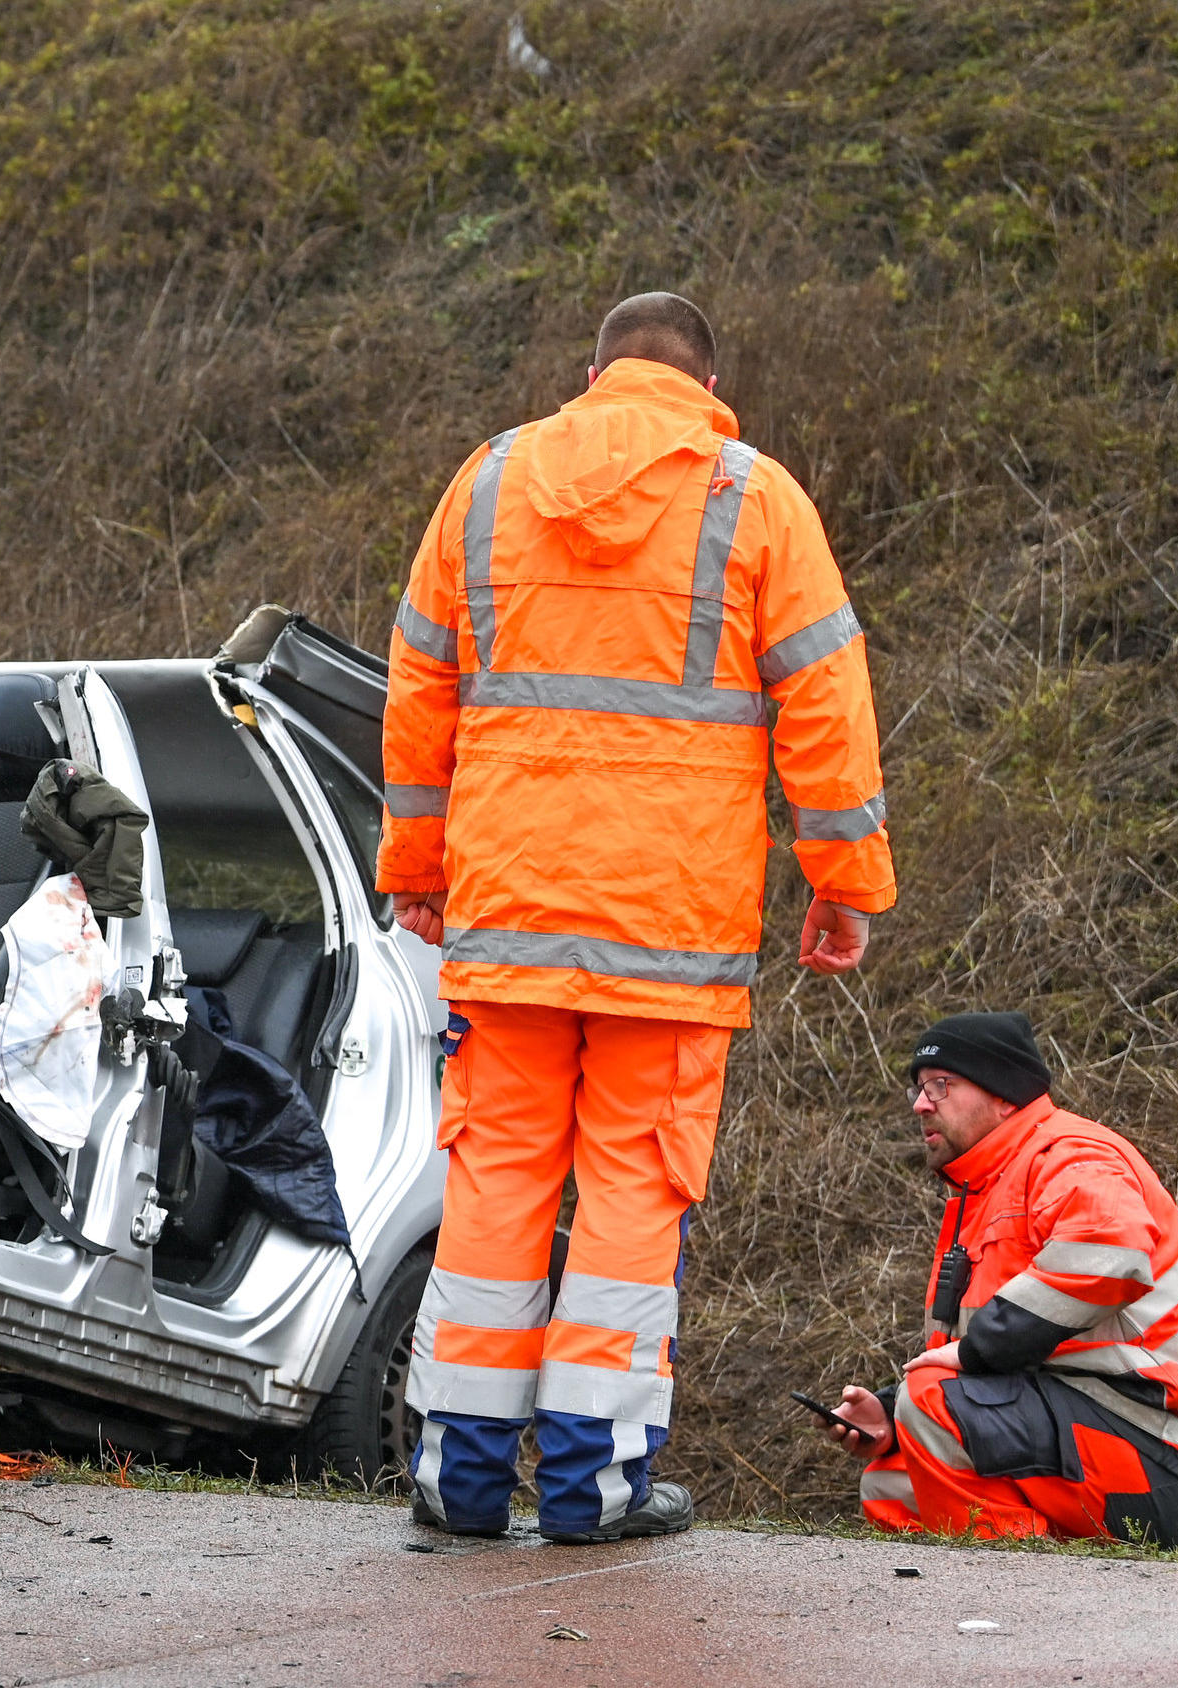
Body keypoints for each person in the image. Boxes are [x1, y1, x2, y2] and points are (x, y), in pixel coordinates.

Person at [382, 292, 895, 1542]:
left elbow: (420, 683)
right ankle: (590, 1486)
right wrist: (845, 879)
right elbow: (825, 699)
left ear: (593, 370)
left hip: (506, 914)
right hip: (668, 930)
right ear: (710, 384)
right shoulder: (752, 496)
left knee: (495, 1181)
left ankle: (458, 1476)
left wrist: (417, 865)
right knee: (628, 1197)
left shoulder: (490, 480)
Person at [820, 1012, 1178, 1547]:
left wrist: (957, 1368)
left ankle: (1017, 1595)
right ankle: (1046, 1587)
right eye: (919, 1088)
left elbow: (1109, 1252)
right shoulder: (983, 1189)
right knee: (894, 1481)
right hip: (1111, 1427)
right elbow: (981, 1354)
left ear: (1004, 1096)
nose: (920, 1104)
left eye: (941, 1086)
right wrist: (888, 1409)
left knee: (932, 1406)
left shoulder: (1071, 1155)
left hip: (1176, 1450)